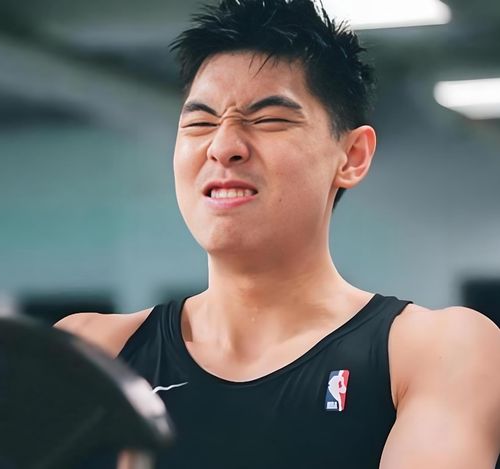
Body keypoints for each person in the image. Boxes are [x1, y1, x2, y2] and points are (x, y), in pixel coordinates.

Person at [57, 0, 500, 468]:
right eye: (200, 123)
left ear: (352, 156)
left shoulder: (438, 350)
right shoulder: (95, 351)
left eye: (268, 119)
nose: (223, 146)